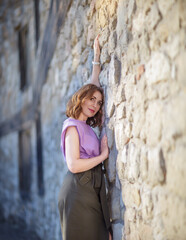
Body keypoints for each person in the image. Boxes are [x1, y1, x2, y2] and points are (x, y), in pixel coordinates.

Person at [58, 35, 112, 240]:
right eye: (92, 99)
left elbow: (93, 82)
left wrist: (96, 57)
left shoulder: (84, 125)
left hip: (92, 188)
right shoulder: (72, 126)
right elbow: (73, 165)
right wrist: (103, 155)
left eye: (99, 102)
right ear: (82, 98)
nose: (95, 105)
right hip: (78, 190)